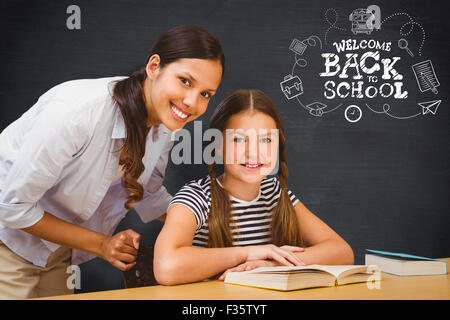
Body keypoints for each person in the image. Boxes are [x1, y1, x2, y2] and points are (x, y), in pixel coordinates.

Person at [0, 25, 224, 299]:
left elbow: (149, 195)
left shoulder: (166, 125)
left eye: (206, 94)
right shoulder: (76, 114)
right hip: (6, 240)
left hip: (56, 250)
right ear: (154, 66)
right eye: (185, 81)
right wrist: (103, 244)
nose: (192, 102)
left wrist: (219, 225)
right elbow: (12, 208)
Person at [154, 89, 354, 285]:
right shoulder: (195, 198)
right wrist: (247, 253)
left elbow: (342, 252)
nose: (253, 153)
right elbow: (166, 267)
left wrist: (272, 264)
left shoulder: (275, 194)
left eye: (266, 140)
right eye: (239, 139)